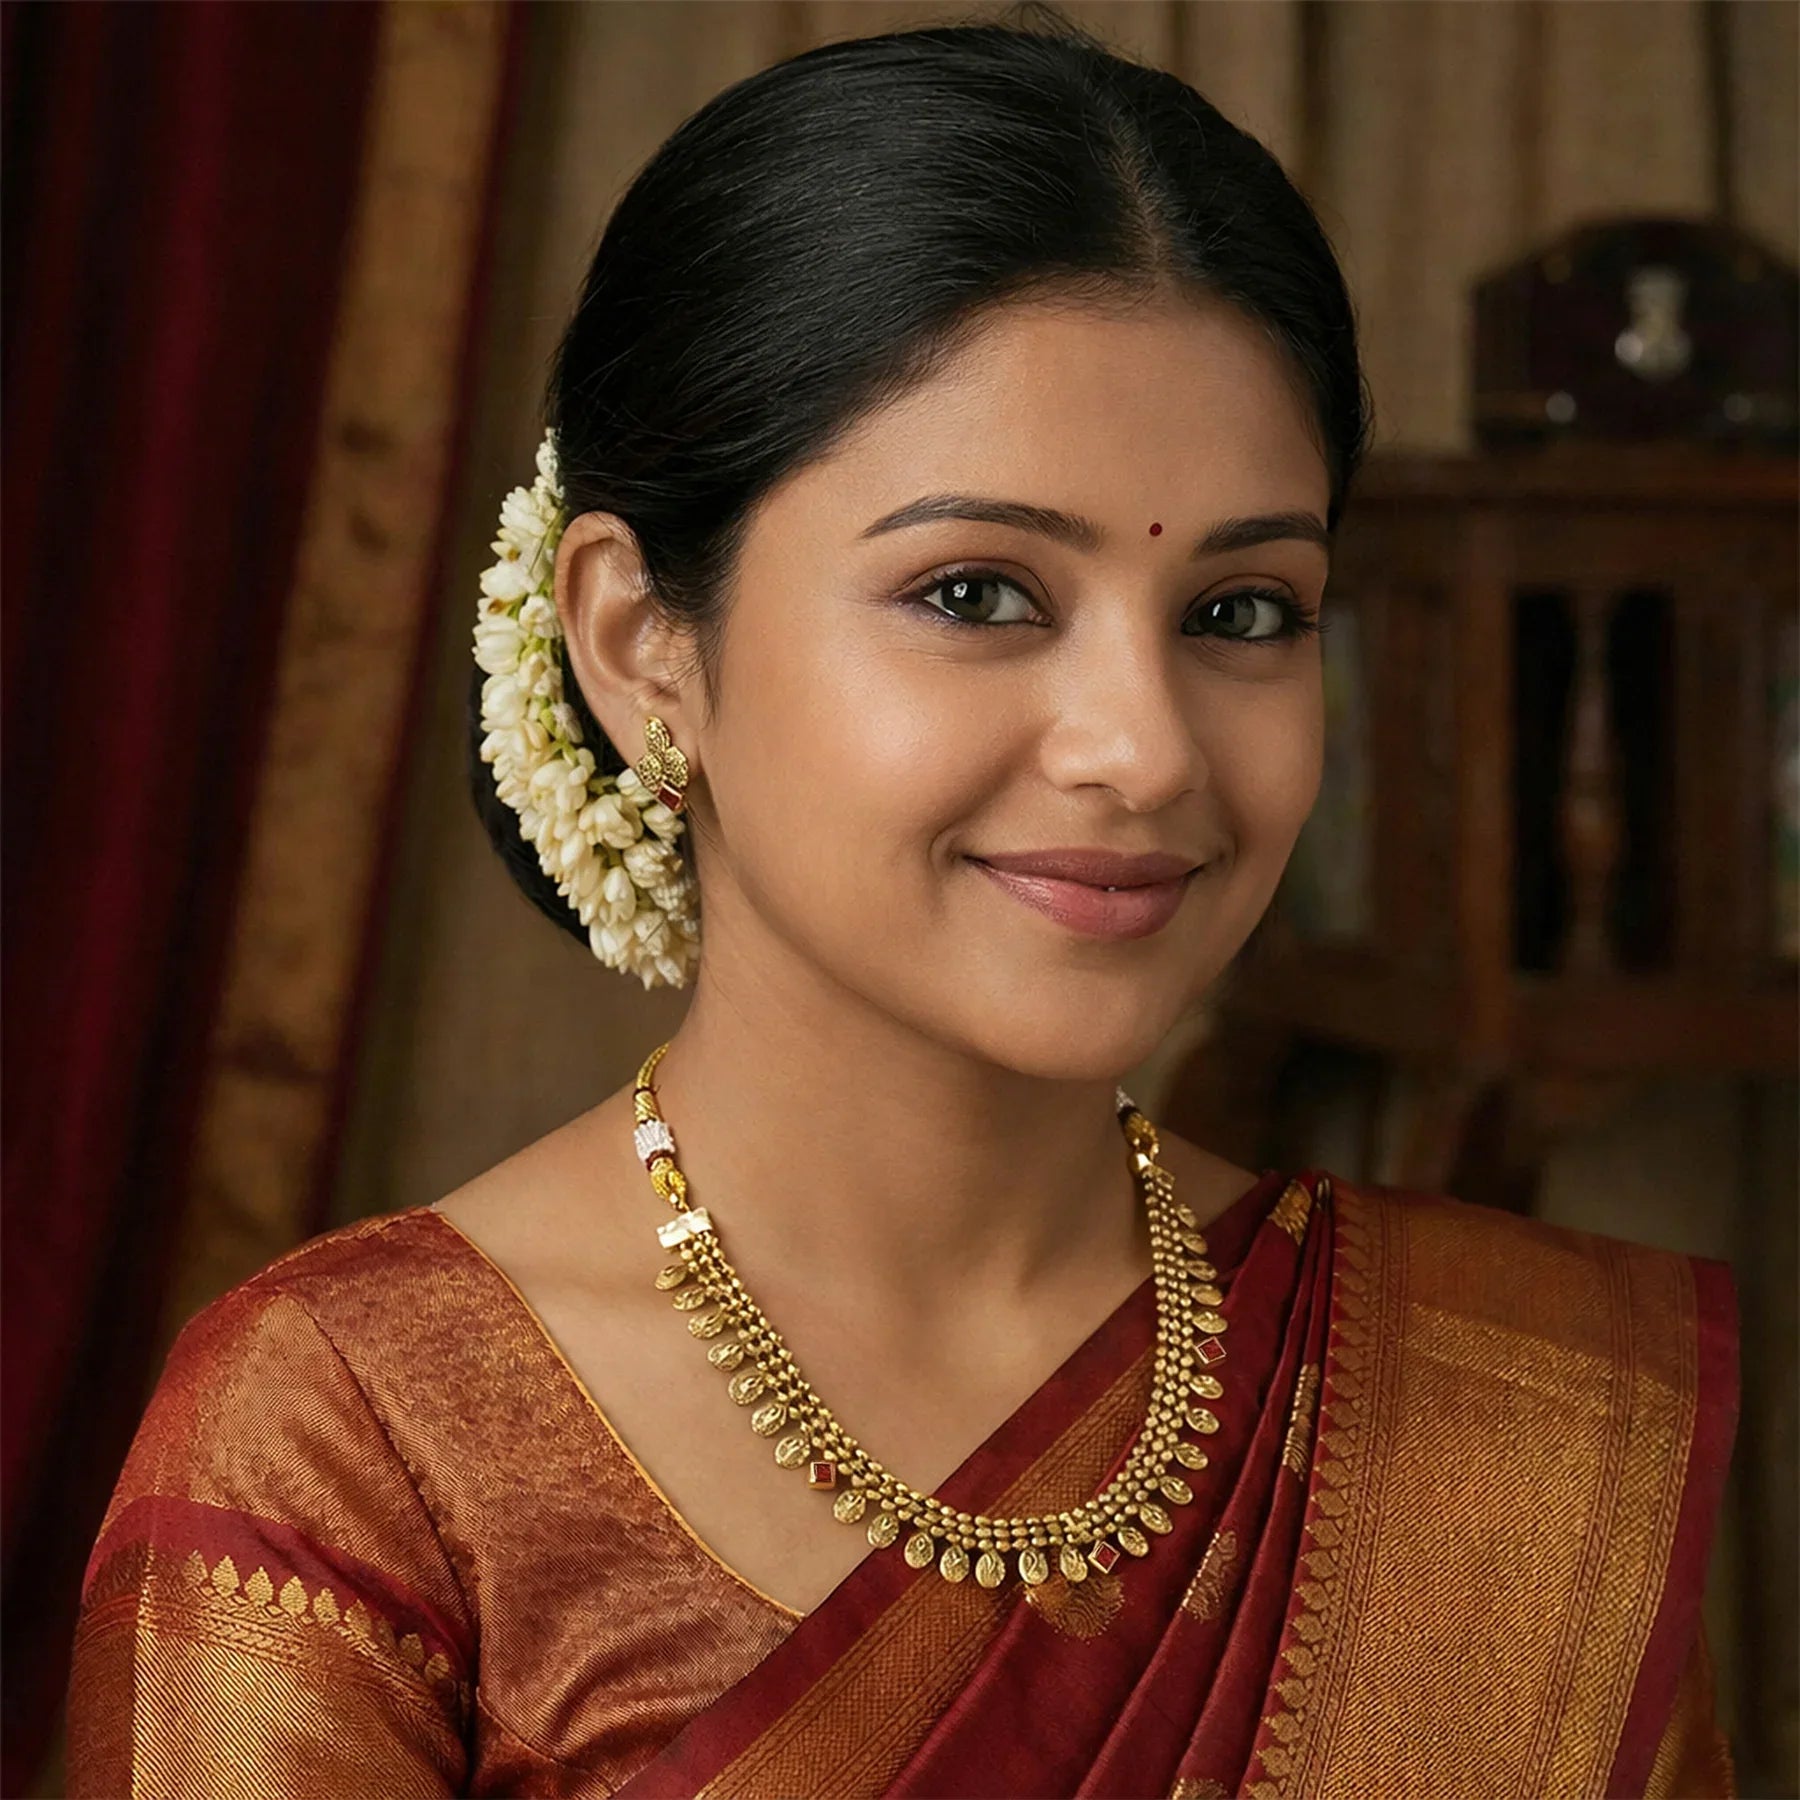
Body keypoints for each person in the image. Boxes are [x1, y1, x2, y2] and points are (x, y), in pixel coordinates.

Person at [64, 13, 1738, 1796]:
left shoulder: (1507, 1423)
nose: (1143, 749)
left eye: (1244, 612)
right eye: (977, 590)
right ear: (642, 647)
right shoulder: (355, 1445)